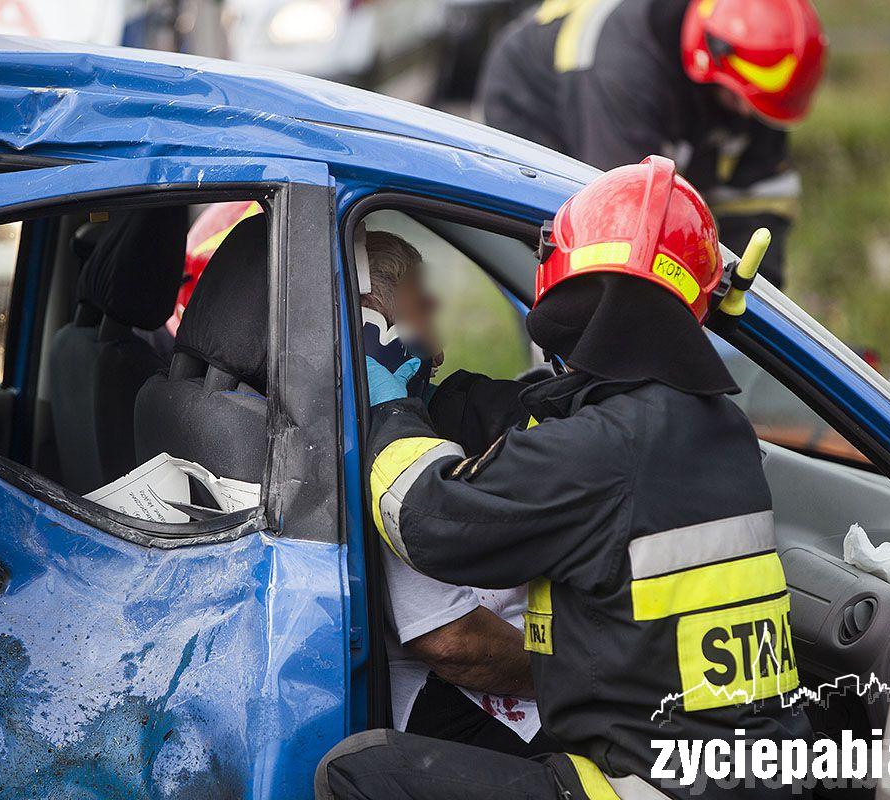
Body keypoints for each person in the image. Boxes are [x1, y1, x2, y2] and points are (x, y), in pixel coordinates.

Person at [317, 156, 809, 800]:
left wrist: (387, 407)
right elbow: (551, 416)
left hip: (650, 787)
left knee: (359, 775)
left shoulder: (606, 450)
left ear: (578, 287)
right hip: (739, 776)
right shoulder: (711, 429)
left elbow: (427, 517)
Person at [360, 229, 559, 755]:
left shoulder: (399, 430)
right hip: (476, 702)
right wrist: (582, 682)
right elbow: (452, 641)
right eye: (422, 307)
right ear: (373, 323)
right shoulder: (382, 451)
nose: (441, 350)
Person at [477, 0, 826, 287]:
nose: (747, 116)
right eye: (738, 101)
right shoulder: (628, 70)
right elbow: (623, 217)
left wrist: (752, 309)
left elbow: (759, 197)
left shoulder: (752, 72)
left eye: (758, 107)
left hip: (650, 92)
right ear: (708, 57)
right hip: (534, 106)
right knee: (569, 268)